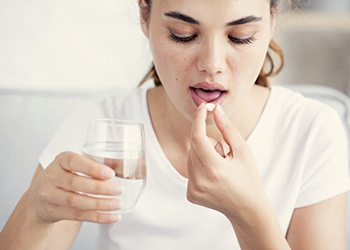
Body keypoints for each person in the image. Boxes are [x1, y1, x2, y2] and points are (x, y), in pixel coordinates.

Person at [1, 0, 349, 249]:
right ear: (144, 15)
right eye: (183, 34)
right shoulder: (101, 131)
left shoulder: (312, 132)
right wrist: (35, 211)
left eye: (240, 36)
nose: (212, 65)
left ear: (272, 21)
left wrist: (248, 214)